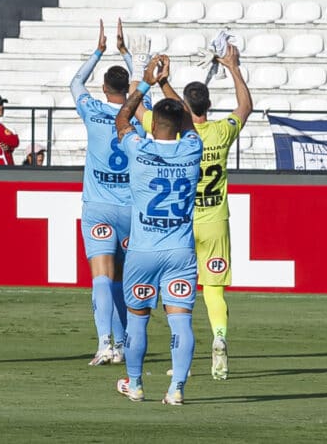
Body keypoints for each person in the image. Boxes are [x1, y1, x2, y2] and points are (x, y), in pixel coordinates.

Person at [113, 53, 203, 406]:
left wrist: (148, 81)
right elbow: (191, 124)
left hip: (142, 251)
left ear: (153, 126)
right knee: (181, 321)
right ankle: (177, 389)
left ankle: (134, 384)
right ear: (181, 124)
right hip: (180, 251)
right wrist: (168, 82)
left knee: (137, 320)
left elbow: (122, 117)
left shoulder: (140, 149)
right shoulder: (192, 148)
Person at [182, 44, 252, 381]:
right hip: (215, 221)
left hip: (182, 223)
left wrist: (156, 80)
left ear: (184, 106)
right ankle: (220, 338)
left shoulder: (178, 133)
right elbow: (245, 107)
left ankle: (181, 357)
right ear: (209, 105)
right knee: (213, 290)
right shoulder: (222, 131)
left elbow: (141, 113)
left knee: (178, 288)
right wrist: (233, 67)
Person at [71, 20, 135, 365]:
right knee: (122, 279)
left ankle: (104, 344)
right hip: (129, 207)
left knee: (101, 275)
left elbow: (75, 82)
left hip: (98, 205)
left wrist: (99, 50)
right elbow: (145, 88)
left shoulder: (92, 111)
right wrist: (126, 53)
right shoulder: (137, 113)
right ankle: (123, 346)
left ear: (103, 87)